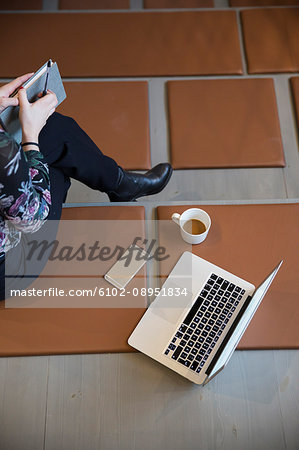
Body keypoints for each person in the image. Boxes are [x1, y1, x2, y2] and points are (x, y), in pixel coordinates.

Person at [0, 73, 172, 300]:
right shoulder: (3, 154)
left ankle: (120, 184)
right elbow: (33, 218)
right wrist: (30, 135)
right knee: (57, 165)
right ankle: (121, 186)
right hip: (10, 268)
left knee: (55, 128)